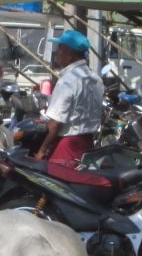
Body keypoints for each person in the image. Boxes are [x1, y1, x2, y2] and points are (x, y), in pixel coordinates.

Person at [35, 30, 103, 171]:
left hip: (67, 148)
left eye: (60, 49)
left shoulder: (67, 81)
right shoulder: (96, 79)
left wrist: (41, 151)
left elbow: (54, 125)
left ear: (70, 54)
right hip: (88, 146)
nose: (57, 53)